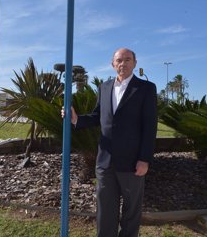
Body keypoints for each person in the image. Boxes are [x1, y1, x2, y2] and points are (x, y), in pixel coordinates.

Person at [62, 48, 157, 237]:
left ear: (135, 63)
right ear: (113, 64)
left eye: (128, 60)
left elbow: (150, 126)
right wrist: (76, 119)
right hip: (105, 162)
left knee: (131, 212)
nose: (123, 63)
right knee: (105, 211)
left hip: (133, 162)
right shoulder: (104, 87)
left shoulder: (146, 88)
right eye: (119, 60)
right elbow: (99, 116)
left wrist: (144, 159)